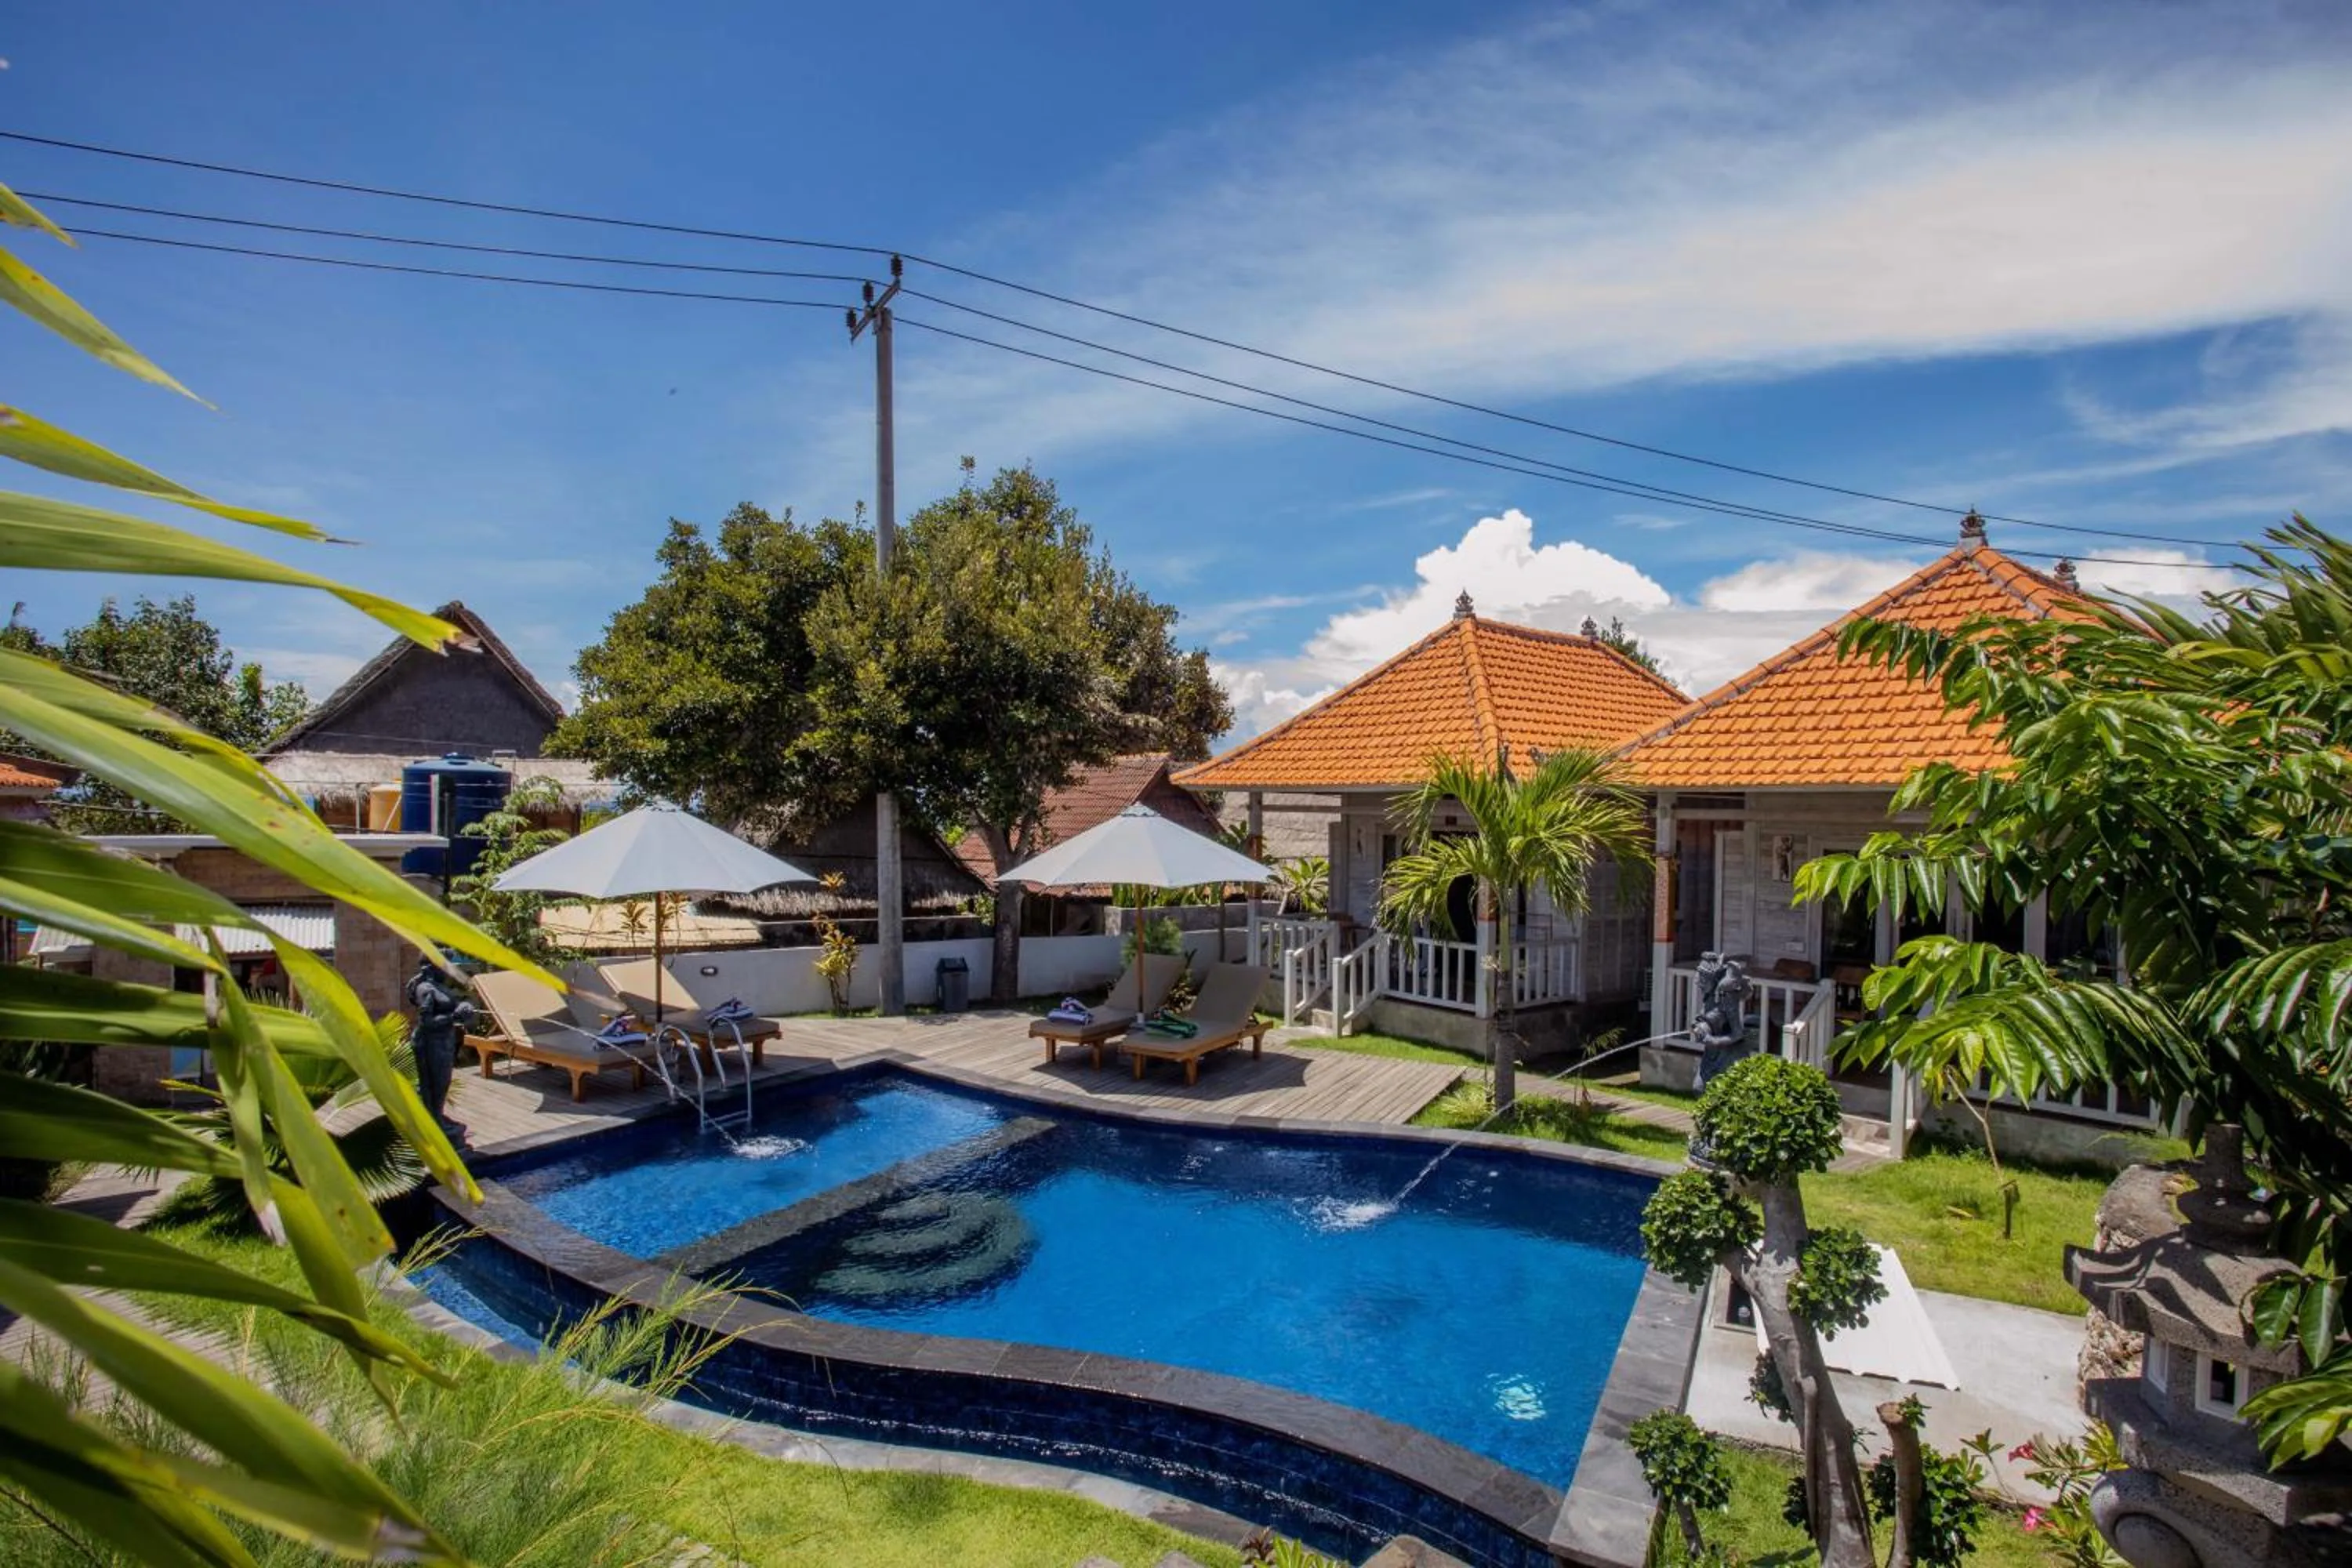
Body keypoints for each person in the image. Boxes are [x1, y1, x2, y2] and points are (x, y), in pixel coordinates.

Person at [405, 956, 477, 1138]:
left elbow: (449, 1006)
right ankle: (433, 1122)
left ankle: (437, 1116)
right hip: (431, 1042)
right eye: (445, 966)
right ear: (432, 968)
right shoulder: (426, 990)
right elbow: (426, 1022)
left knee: (442, 1083)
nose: (449, 970)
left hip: (444, 1040)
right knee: (433, 1084)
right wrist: (454, 1017)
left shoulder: (439, 986)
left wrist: (463, 1006)